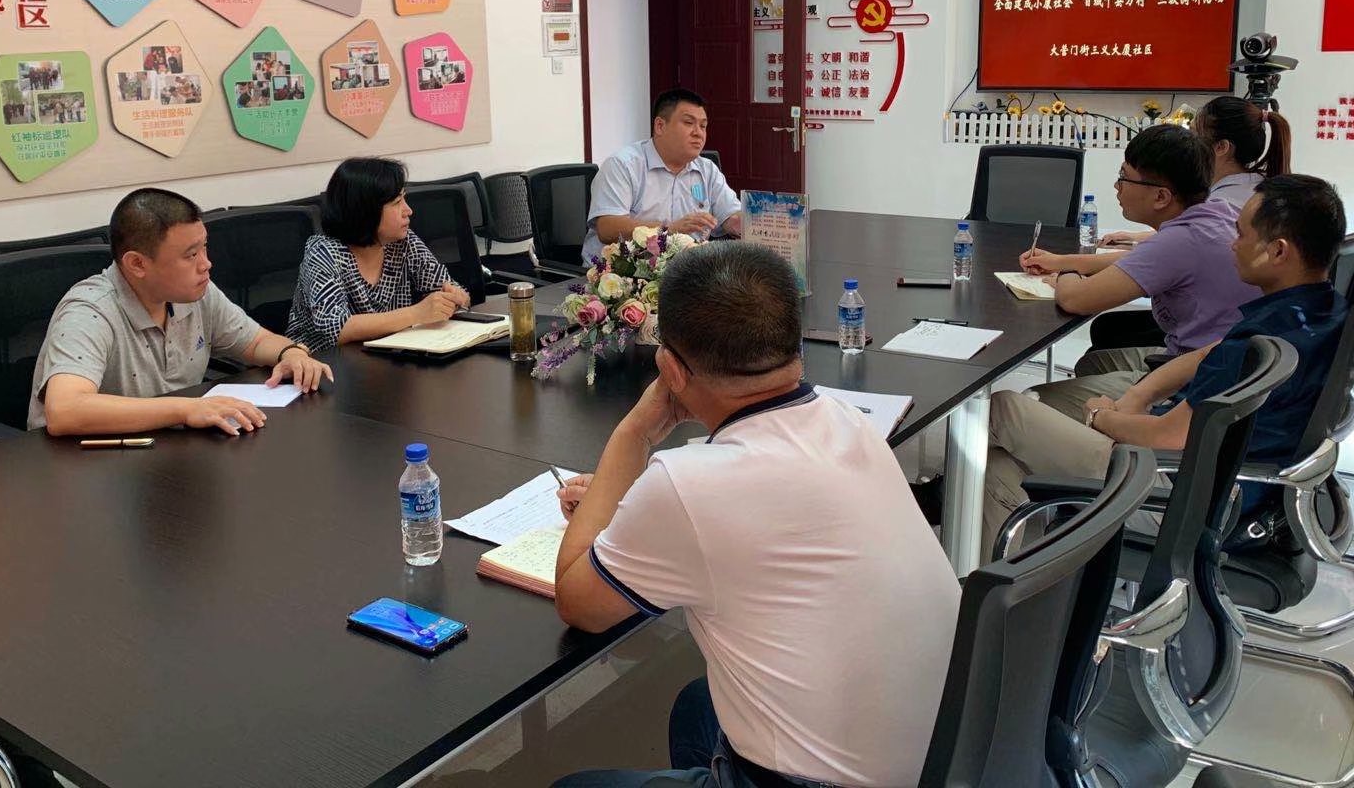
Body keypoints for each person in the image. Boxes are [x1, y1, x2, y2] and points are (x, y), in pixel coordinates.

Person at [552, 242, 960, 788]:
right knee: (697, 707)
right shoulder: (850, 420)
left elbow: (578, 602)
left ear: (668, 368)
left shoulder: (686, 486)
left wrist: (634, 434)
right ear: (797, 344)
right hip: (953, 751)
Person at [984, 174, 1348, 561]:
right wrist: (1140, 394)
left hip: (1183, 498)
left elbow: (1166, 437)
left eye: (1242, 235)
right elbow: (1206, 354)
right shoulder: (1316, 313)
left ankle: (1000, 582)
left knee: (1003, 409)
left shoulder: (1259, 348)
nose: (1233, 244)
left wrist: (1102, 418)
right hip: (1232, 483)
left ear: (1277, 252)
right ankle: (1005, 584)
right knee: (1001, 466)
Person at [29, 189, 333, 437]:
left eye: (204, 247)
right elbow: (65, 411)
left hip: (163, 449)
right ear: (137, 264)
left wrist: (291, 354)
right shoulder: (90, 312)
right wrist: (186, 410)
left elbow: (254, 341)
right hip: (81, 465)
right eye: (191, 255)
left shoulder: (195, 292)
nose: (206, 264)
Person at [1019, 124, 1258, 419]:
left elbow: (1075, 299)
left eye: (1124, 177)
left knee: (1030, 402)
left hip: (1196, 387)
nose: (1116, 187)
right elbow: (1140, 259)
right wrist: (1061, 260)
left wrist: (1066, 272)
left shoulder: (1180, 241)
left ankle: (1110, 430)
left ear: (1161, 197)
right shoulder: (1216, 213)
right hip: (1228, 368)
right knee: (1093, 364)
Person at [285, 158, 470, 352]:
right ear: (365, 211)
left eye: (404, 198)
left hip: (386, 355)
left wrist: (456, 298)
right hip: (320, 361)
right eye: (397, 202)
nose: (408, 210)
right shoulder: (323, 253)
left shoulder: (403, 241)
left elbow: (449, 287)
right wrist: (417, 313)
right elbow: (336, 328)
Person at [1102, 97, 1293, 247]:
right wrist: (1135, 238)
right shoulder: (1252, 185)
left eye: (1194, 134)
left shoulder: (1220, 206)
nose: (1186, 141)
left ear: (1221, 147)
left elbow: (1175, 247)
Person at [582, 88, 742, 265]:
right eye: (689, 123)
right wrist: (669, 229)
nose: (698, 133)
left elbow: (731, 216)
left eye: (703, 126)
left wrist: (747, 224)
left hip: (684, 270)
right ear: (660, 126)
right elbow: (608, 228)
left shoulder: (707, 170)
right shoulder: (623, 165)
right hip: (619, 272)